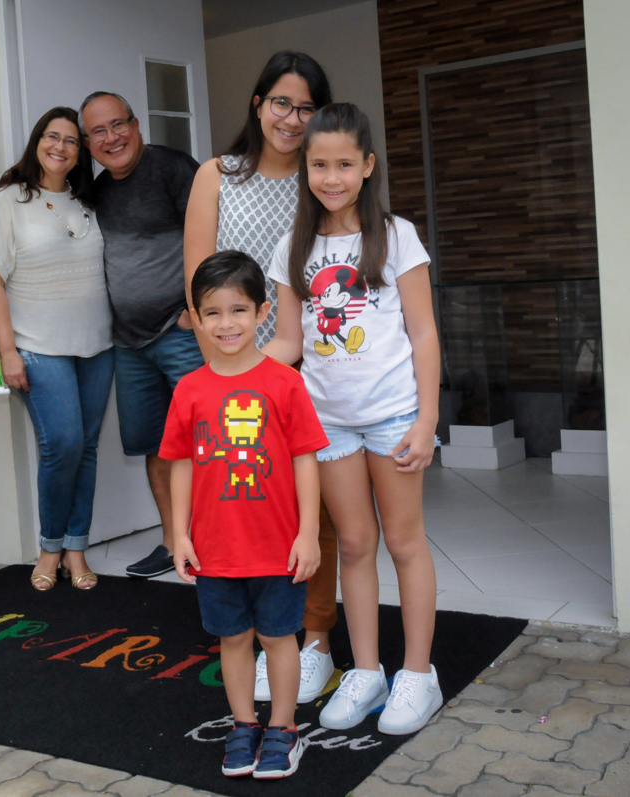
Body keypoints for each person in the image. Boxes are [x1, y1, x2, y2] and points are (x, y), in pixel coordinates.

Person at [265, 103, 443, 735]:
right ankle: (366, 672)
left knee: (403, 541)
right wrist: (235, 377)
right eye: (319, 164)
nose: (331, 177)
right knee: (357, 546)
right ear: (304, 168)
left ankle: (418, 675)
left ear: (368, 166)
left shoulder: (397, 235)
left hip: (392, 415)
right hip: (328, 423)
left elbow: (423, 333)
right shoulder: (294, 246)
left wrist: (426, 421)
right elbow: (289, 342)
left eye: (344, 164)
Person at [184, 50, 340, 706]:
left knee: (315, 507)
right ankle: (249, 631)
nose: (292, 118)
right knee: (244, 500)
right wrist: (223, 370)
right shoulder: (218, 174)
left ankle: (316, 641)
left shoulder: (321, 182)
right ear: (257, 103)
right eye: (281, 102)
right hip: (232, 368)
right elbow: (196, 280)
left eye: (306, 107)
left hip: (314, 368)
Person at [161, 251, 327, 779]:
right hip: (215, 549)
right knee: (231, 639)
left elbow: (305, 461)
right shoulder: (189, 389)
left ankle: (283, 728)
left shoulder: (284, 382)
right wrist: (179, 535)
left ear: (262, 313)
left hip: (278, 546)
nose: (226, 323)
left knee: (279, 637)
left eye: (238, 310)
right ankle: (242, 724)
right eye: (212, 312)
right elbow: (181, 465)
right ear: (196, 317)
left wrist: (309, 534)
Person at [0, 107, 113, 591]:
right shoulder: (9, 200)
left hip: (98, 343)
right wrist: (7, 350)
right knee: (62, 444)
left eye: (71, 141)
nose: (60, 147)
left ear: (81, 152)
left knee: (89, 447)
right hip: (37, 344)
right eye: (51, 137)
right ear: (37, 141)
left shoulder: (87, 202)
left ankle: (77, 549)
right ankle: (49, 547)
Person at [81, 90, 204, 579]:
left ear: (137, 124)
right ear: (89, 143)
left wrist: (197, 311)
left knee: (208, 441)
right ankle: (175, 543)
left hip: (182, 335)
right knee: (157, 446)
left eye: (119, 124)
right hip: (128, 345)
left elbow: (214, 235)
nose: (112, 138)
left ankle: (216, 541)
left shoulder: (174, 169)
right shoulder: (97, 193)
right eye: (99, 131)